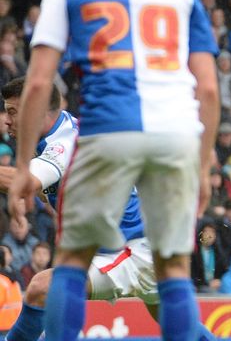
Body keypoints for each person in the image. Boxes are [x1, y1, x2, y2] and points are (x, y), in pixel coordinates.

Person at [9, 0, 220, 340]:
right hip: (175, 135)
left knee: (68, 267)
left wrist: (22, 161)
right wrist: (202, 166)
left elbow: (38, 83)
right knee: (174, 273)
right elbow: (210, 89)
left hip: (109, 129)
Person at [0, 78, 215, 341]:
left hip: (133, 250)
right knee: (178, 325)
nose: (6, 121)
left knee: (43, 288)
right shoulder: (60, 131)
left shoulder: (65, 142)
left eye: (12, 112)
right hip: (139, 242)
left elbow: (25, 183)